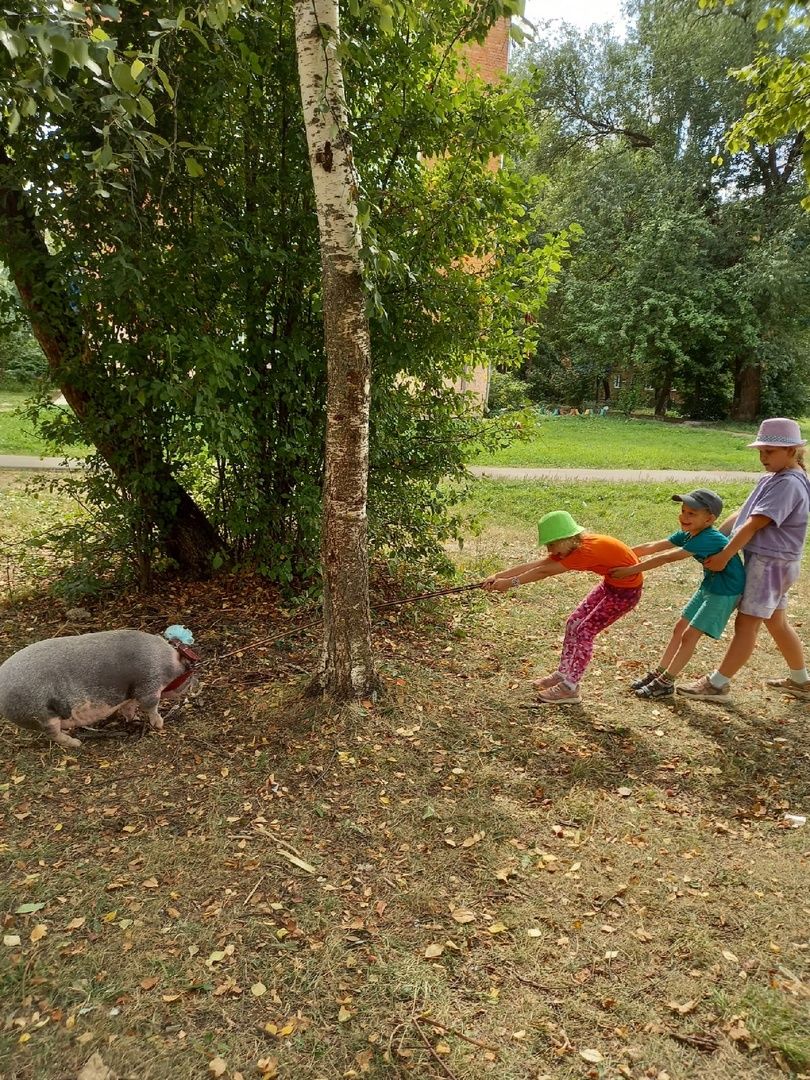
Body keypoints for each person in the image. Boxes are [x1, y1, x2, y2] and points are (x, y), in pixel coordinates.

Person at [677, 418, 810, 701]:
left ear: (792, 451)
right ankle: (801, 680)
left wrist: (724, 555)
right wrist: (717, 538)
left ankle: (717, 684)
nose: (763, 457)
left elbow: (753, 524)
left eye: (770, 452)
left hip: (770, 564)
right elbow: (742, 514)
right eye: (761, 451)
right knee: (776, 622)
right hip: (774, 564)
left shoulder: (789, 484)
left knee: (746, 624)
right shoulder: (775, 478)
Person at [483, 510, 642, 704]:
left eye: (551, 544)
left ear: (565, 539)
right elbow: (540, 564)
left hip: (626, 593)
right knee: (573, 622)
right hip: (610, 585)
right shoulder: (573, 547)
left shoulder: (584, 552)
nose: (549, 550)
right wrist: (499, 575)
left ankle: (570, 688)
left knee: (585, 630)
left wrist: (510, 583)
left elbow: (544, 571)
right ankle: (563, 674)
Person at [611, 489, 745, 699]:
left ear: (709, 519)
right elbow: (654, 546)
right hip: (709, 584)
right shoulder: (688, 533)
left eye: (692, 514)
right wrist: (619, 553)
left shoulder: (708, 537)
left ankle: (665, 683)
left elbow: (667, 558)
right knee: (679, 628)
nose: (684, 516)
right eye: (683, 511)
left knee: (689, 635)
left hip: (725, 590)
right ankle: (660, 672)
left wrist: (629, 571)